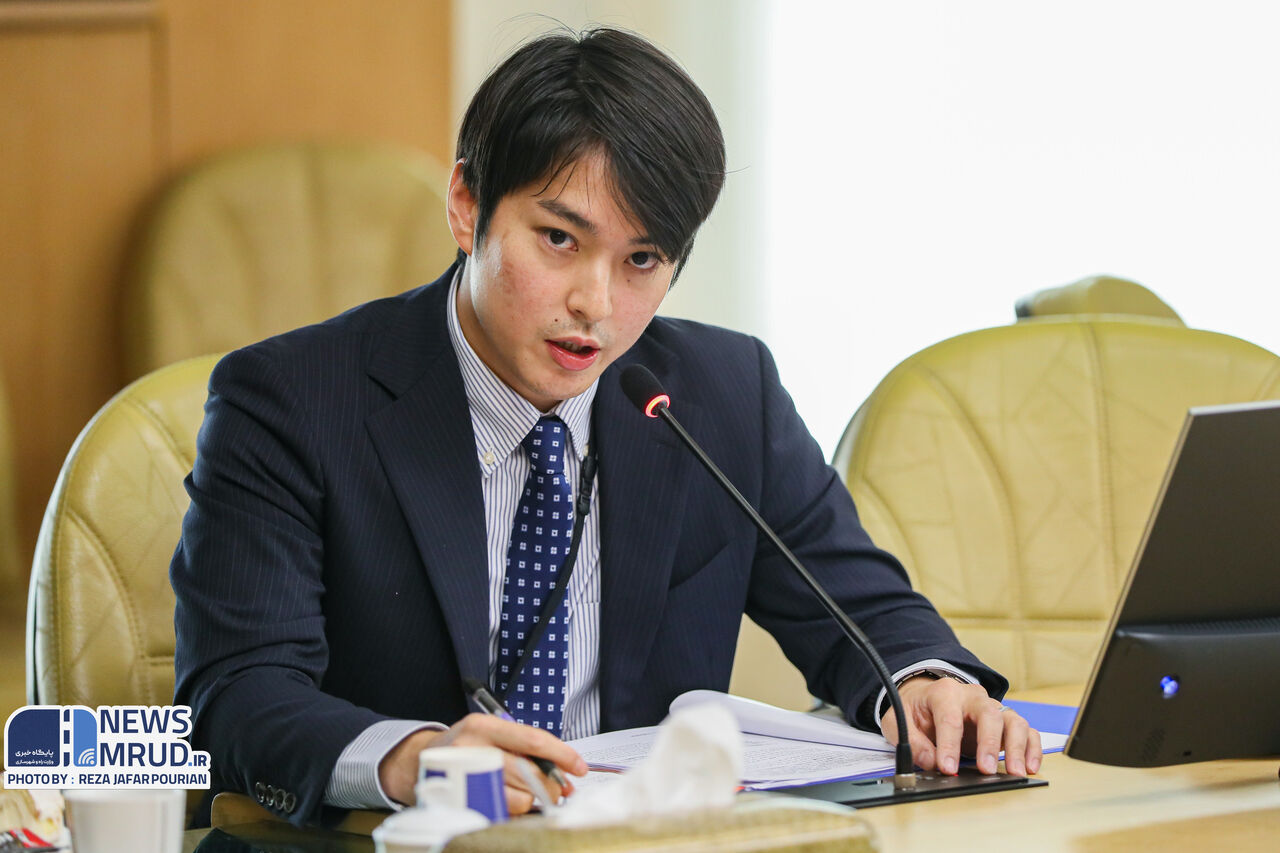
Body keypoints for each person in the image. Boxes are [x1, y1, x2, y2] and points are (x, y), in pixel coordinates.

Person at [171, 27, 1041, 828]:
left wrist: (926, 680)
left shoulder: (723, 394)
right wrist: (416, 758)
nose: (595, 302)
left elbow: (862, 608)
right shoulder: (291, 401)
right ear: (468, 206)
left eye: (642, 260)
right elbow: (235, 692)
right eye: (559, 239)